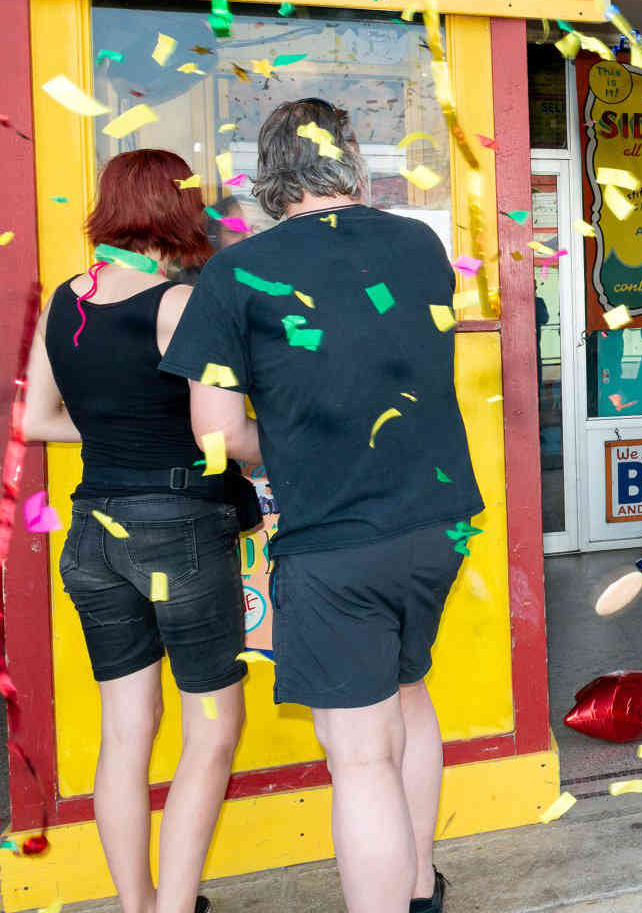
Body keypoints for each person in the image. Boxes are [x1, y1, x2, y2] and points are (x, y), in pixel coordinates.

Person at [160, 98, 482, 913]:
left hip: (336, 539)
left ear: (268, 177)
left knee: (359, 754)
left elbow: (217, 435)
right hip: (437, 524)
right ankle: (419, 889)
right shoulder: (420, 244)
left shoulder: (236, 273)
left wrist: (289, 442)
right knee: (409, 691)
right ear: (351, 160)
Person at [22, 148, 248, 913]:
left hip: (92, 535)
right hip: (178, 530)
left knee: (125, 735)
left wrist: (114, 430)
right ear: (177, 210)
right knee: (211, 730)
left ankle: (138, 905)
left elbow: (35, 419)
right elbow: (217, 434)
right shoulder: (179, 305)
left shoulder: (67, 300)